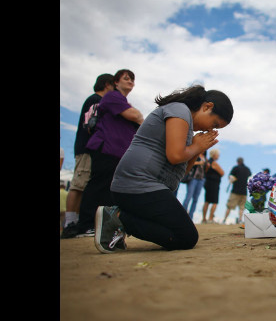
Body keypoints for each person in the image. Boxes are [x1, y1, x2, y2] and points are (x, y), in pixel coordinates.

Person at [95, 85, 233, 253]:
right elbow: (175, 156)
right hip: (136, 185)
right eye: (215, 123)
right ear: (207, 106)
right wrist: (196, 147)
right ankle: (118, 218)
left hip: (147, 188)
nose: (210, 130)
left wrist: (197, 149)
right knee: (186, 237)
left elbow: (180, 172)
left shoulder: (187, 128)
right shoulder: (179, 110)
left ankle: (120, 221)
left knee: (181, 234)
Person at [76, 69, 144, 237]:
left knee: (110, 189)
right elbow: (135, 115)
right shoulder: (112, 97)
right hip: (106, 148)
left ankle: (102, 226)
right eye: (126, 78)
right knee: (99, 185)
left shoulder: (122, 101)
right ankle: (85, 225)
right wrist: (137, 116)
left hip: (119, 152)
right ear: (116, 82)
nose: (130, 82)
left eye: (132, 80)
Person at [61, 73, 114, 239]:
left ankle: (77, 222)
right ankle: (70, 223)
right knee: (79, 184)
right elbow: (90, 125)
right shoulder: (95, 100)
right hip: (87, 150)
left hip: (92, 150)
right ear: (107, 84)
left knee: (86, 184)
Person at [223, 157, 251, 224]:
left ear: (237, 162)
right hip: (244, 191)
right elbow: (250, 176)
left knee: (229, 206)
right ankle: (240, 220)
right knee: (241, 207)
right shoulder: (247, 169)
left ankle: (224, 220)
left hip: (235, 191)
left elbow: (230, 177)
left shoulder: (235, 168)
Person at [182, 152, 206, 221]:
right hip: (193, 178)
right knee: (188, 196)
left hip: (201, 179)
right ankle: (183, 215)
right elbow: (188, 163)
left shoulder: (205, 157)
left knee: (195, 199)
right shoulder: (194, 154)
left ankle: (190, 218)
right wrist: (199, 163)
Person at [202, 148, 224, 223]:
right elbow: (222, 173)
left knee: (207, 201)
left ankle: (204, 219)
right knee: (215, 202)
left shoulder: (207, 162)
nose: (219, 156)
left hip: (207, 183)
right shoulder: (214, 163)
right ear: (214, 155)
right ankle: (210, 219)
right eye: (218, 154)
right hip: (214, 184)